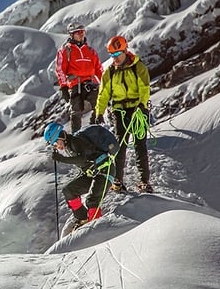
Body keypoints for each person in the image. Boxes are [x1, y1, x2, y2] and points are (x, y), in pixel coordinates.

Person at [95, 35, 153, 193]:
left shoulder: (138, 67)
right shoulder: (110, 72)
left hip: (137, 109)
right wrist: (99, 112)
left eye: (117, 54)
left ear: (125, 50)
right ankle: (118, 180)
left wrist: (142, 105)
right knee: (120, 147)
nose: (115, 58)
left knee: (140, 145)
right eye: (112, 55)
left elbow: (144, 88)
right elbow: (104, 93)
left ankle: (144, 181)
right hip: (119, 112)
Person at [44, 122, 115, 234]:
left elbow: (81, 159)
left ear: (60, 136)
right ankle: (82, 218)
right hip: (92, 174)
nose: (57, 146)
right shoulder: (69, 146)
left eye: (56, 143)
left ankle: (95, 230)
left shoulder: (75, 141)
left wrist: (61, 159)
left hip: (105, 171)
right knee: (69, 191)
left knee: (92, 200)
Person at [55, 22, 103, 133]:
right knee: (76, 112)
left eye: (82, 32)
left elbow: (99, 69)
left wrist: (106, 83)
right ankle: (77, 137)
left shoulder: (91, 51)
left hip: (91, 83)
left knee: (99, 104)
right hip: (75, 84)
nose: (81, 34)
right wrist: (63, 87)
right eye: (78, 32)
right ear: (71, 35)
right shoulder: (65, 51)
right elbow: (60, 70)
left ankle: (96, 129)